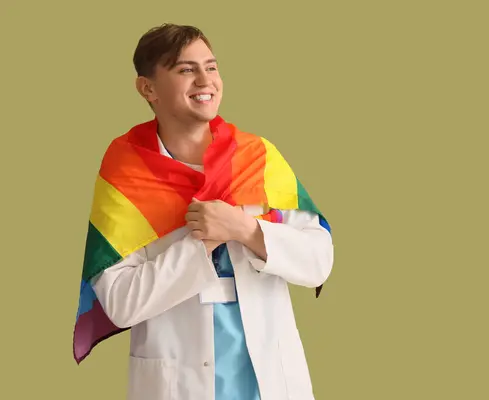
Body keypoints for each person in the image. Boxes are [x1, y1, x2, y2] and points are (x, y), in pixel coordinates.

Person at [71, 23, 334, 400]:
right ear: (148, 88)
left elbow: (318, 261)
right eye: (185, 70)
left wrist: (245, 229)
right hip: (177, 382)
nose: (204, 80)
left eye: (210, 67)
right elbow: (120, 304)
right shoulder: (126, 174)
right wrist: (199, 245)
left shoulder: (257, 158)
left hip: (270, 381)